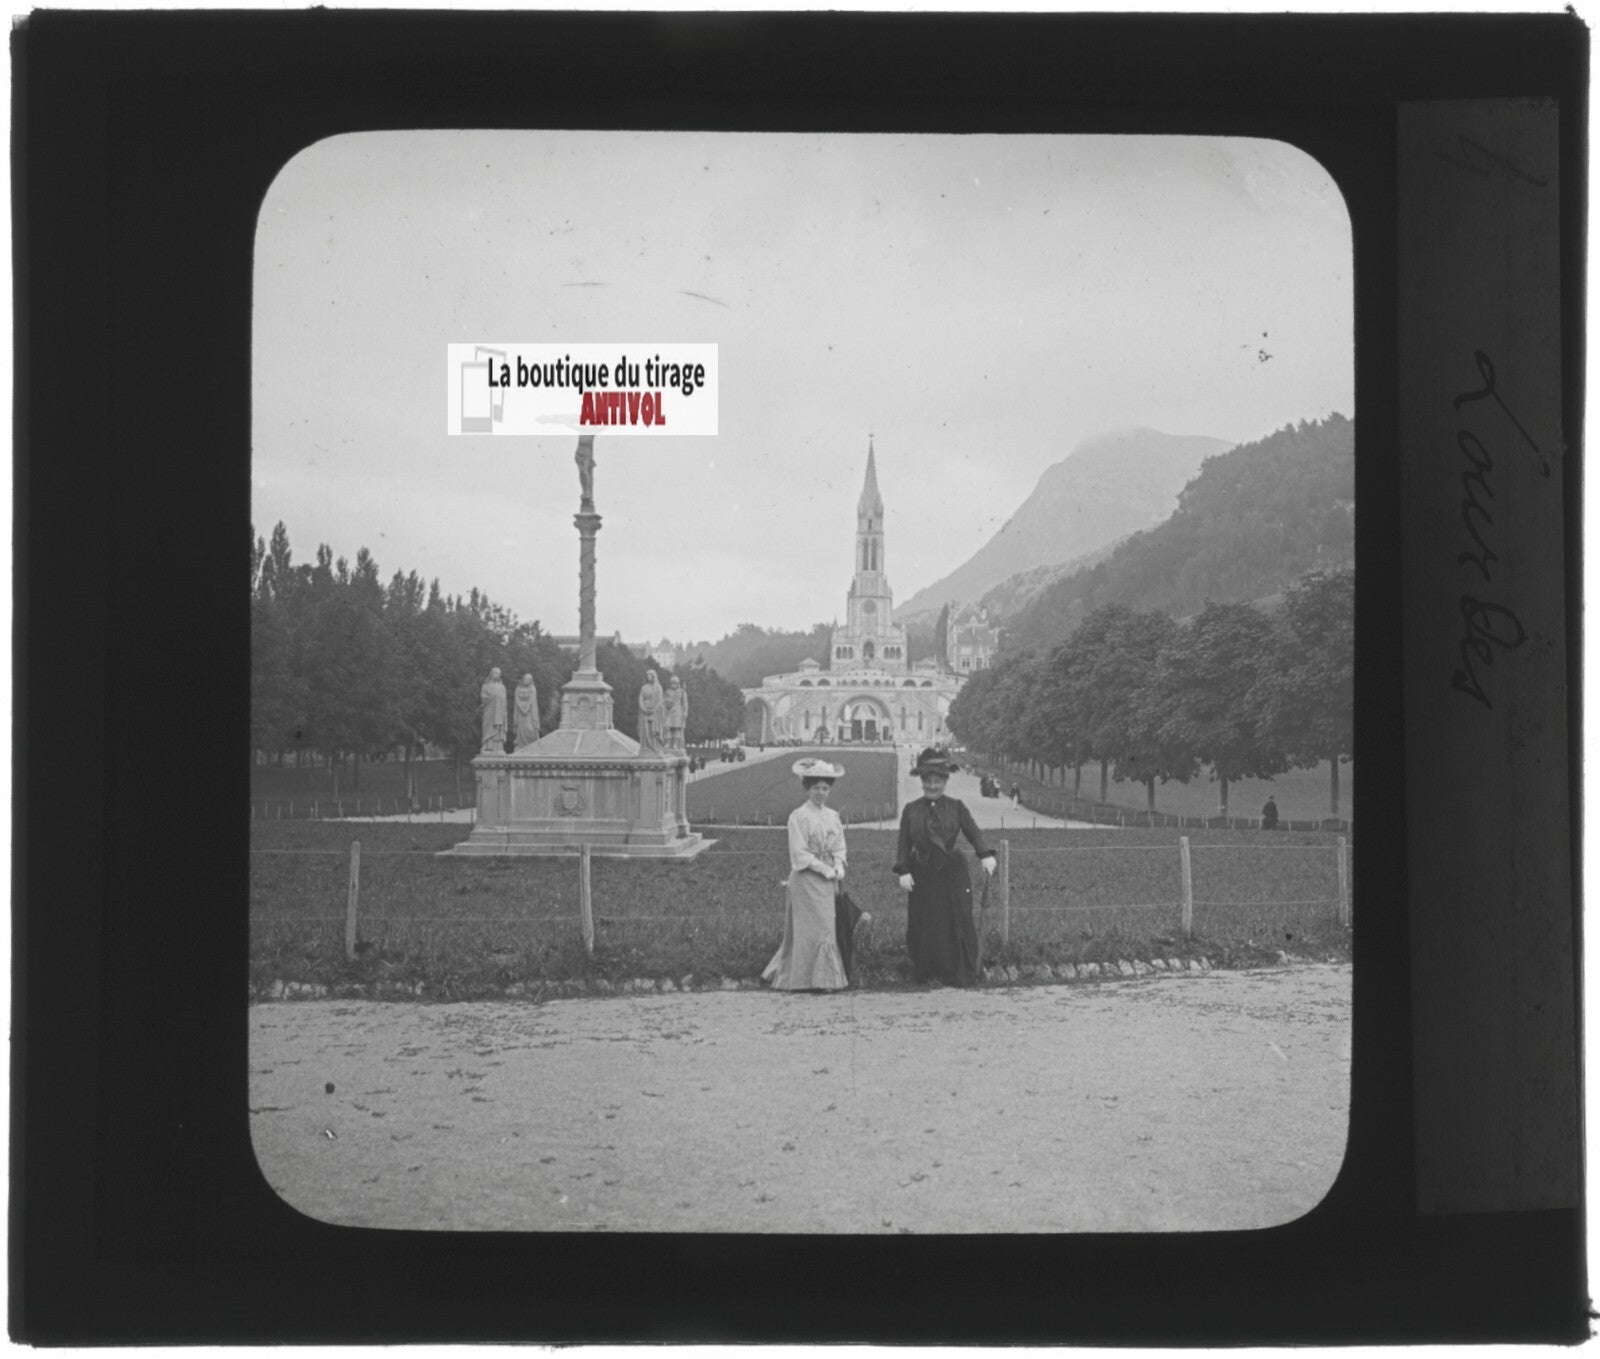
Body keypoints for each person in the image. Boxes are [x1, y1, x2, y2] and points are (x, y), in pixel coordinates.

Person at [894, 746, 997, 986]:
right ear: (922, 781)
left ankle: (958, 972)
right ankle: (927, 971)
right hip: (922, 873)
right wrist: (903, 870)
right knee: (925, 920)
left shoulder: (956, 807)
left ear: (945, 781)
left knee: (957, 917)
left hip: (952, 872)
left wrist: (985, 854)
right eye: (928, 781)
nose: (932, 786)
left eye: (937, 781)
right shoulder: (911, 810)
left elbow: (973, 832)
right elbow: (903, 844)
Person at [763, 759, 851, 992]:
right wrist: (824, 868)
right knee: (811, 930)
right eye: (816, 788)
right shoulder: (799, 816)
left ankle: (824, 979)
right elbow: (799, 853)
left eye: (825, 788)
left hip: (828, 882)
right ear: (807, 789)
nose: (820, 793)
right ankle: (806, 980)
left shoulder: (833, 816)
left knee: (827, 928)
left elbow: (839, 845)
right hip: (806, 879)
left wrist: (838, 864)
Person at [636, 669, 666, 755]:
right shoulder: (644, 687)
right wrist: (643, 708)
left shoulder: (658, 687)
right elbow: (640, 699)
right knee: (645, 729)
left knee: (653, 730)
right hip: (645, 711)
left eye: (650, 675)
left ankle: (655, 747)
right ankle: (645, 747)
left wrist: (654, 710)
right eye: (647, 675)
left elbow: (660, 701)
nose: (648, 677)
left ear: (654, 676)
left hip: (655, 711)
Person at [480, 667, 508, 753]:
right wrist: (494, 697)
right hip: (489, 711)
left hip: (499, 711)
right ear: (491, 674)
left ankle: (498, 747)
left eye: (499, 673)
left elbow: (504, 700)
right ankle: (486, 746)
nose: (497, 675)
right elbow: (483, 698)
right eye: (495, 673)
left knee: (498, 729)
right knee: (487, 727)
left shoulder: (502, 687)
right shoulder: (486, 686)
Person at [513, 673, 540, 750]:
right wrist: (522, 708)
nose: (526, 680)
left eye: (527, 679)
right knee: (521, 727)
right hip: (520, 712)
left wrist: (526, 709)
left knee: (530, 728)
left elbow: (532, 699)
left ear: (530, 681)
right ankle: (520, 744)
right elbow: (517, 699)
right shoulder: (518, 689)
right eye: (524, 679)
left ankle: (531, 744)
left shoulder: (532, 688)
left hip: (530, 712)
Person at [663, 674, 688, 753]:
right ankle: (667, 743)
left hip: (678, 711)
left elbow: (685, 703)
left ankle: (675, 744)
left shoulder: (682, 692)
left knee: (676, 729)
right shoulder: (667, 692)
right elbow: (664, 702)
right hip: (669, 711)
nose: (673, 685)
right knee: (668, 728)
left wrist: (685, 712)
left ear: (677, 683)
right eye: (672, 683)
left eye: (674, 683)